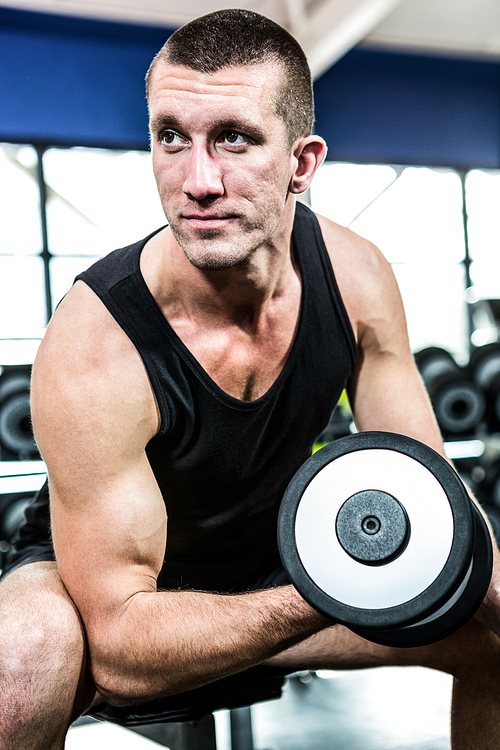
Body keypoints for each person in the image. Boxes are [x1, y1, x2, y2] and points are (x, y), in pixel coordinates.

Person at [1, 8, 500, 749]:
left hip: (278, 558)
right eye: (171, 137)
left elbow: (425, 492)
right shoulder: (94, 343)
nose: (197, 181)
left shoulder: (357, 277)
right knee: (25, 654)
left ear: (302, 163)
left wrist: (479, 581)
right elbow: (122, 646)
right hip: (119, 594)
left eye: (233, 138)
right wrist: (337, 585)